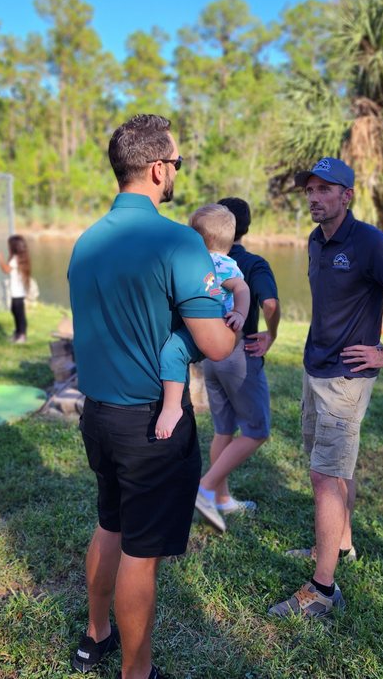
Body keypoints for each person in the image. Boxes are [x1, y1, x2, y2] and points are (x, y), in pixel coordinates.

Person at [67, 114, 236, 679]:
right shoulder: (179, 240)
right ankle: (136, 673)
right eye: (177, 164)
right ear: (159, 169)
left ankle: (96, 637)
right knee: (142, 553)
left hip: (99, 416)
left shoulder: (87, 241)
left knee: (109, 523)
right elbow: (214, 344)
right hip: (150, 426)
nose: (177, 173)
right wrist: (233, 322)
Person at [268, 157, 383, 619]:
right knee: (332, 469)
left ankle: (322, 590)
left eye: (325, 190)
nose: (314, 197)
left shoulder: (368, 242)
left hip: (346, 378)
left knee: (325, 476)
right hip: (316, 369)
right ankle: (340, 545)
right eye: (310, 190)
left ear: (347, 196)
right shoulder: (315, 240)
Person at [193, 197, 281, 533]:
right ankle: (206, 487)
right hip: (238, 352)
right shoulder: (250, 263)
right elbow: (270, 304)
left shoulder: (199, 260)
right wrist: (269, 334)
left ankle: (222, 498)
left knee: (223, 430)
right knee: (257, 431)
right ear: (245, 227)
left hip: (211, 356)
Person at [155, 204, 250, 450]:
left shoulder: (222, 264)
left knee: (172, 351)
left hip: (213, 324)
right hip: (196, 321)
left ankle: (171, 407)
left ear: (194, 238)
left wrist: (239, 312)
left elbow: (242, 287)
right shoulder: (198, 260)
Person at [0, 234, 31, 344]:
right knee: (15, 311)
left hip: (17, 293)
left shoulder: (15, 259)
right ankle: (18, 333)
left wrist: (0, 259)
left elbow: (6, 270)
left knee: (19, 314)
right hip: (18, 292)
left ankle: (22, 335)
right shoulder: (20, 258)